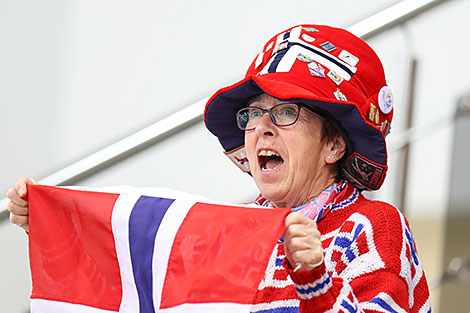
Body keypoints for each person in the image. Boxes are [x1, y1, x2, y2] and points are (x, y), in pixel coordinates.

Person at [7, 24, 430, 312]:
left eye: (284, 112)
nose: (260, 128)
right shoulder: (237, 229)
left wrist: (315, 281)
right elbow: (143, 281)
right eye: (252, 115)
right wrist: (55, 224)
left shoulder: (373, 226)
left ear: (334, 144)